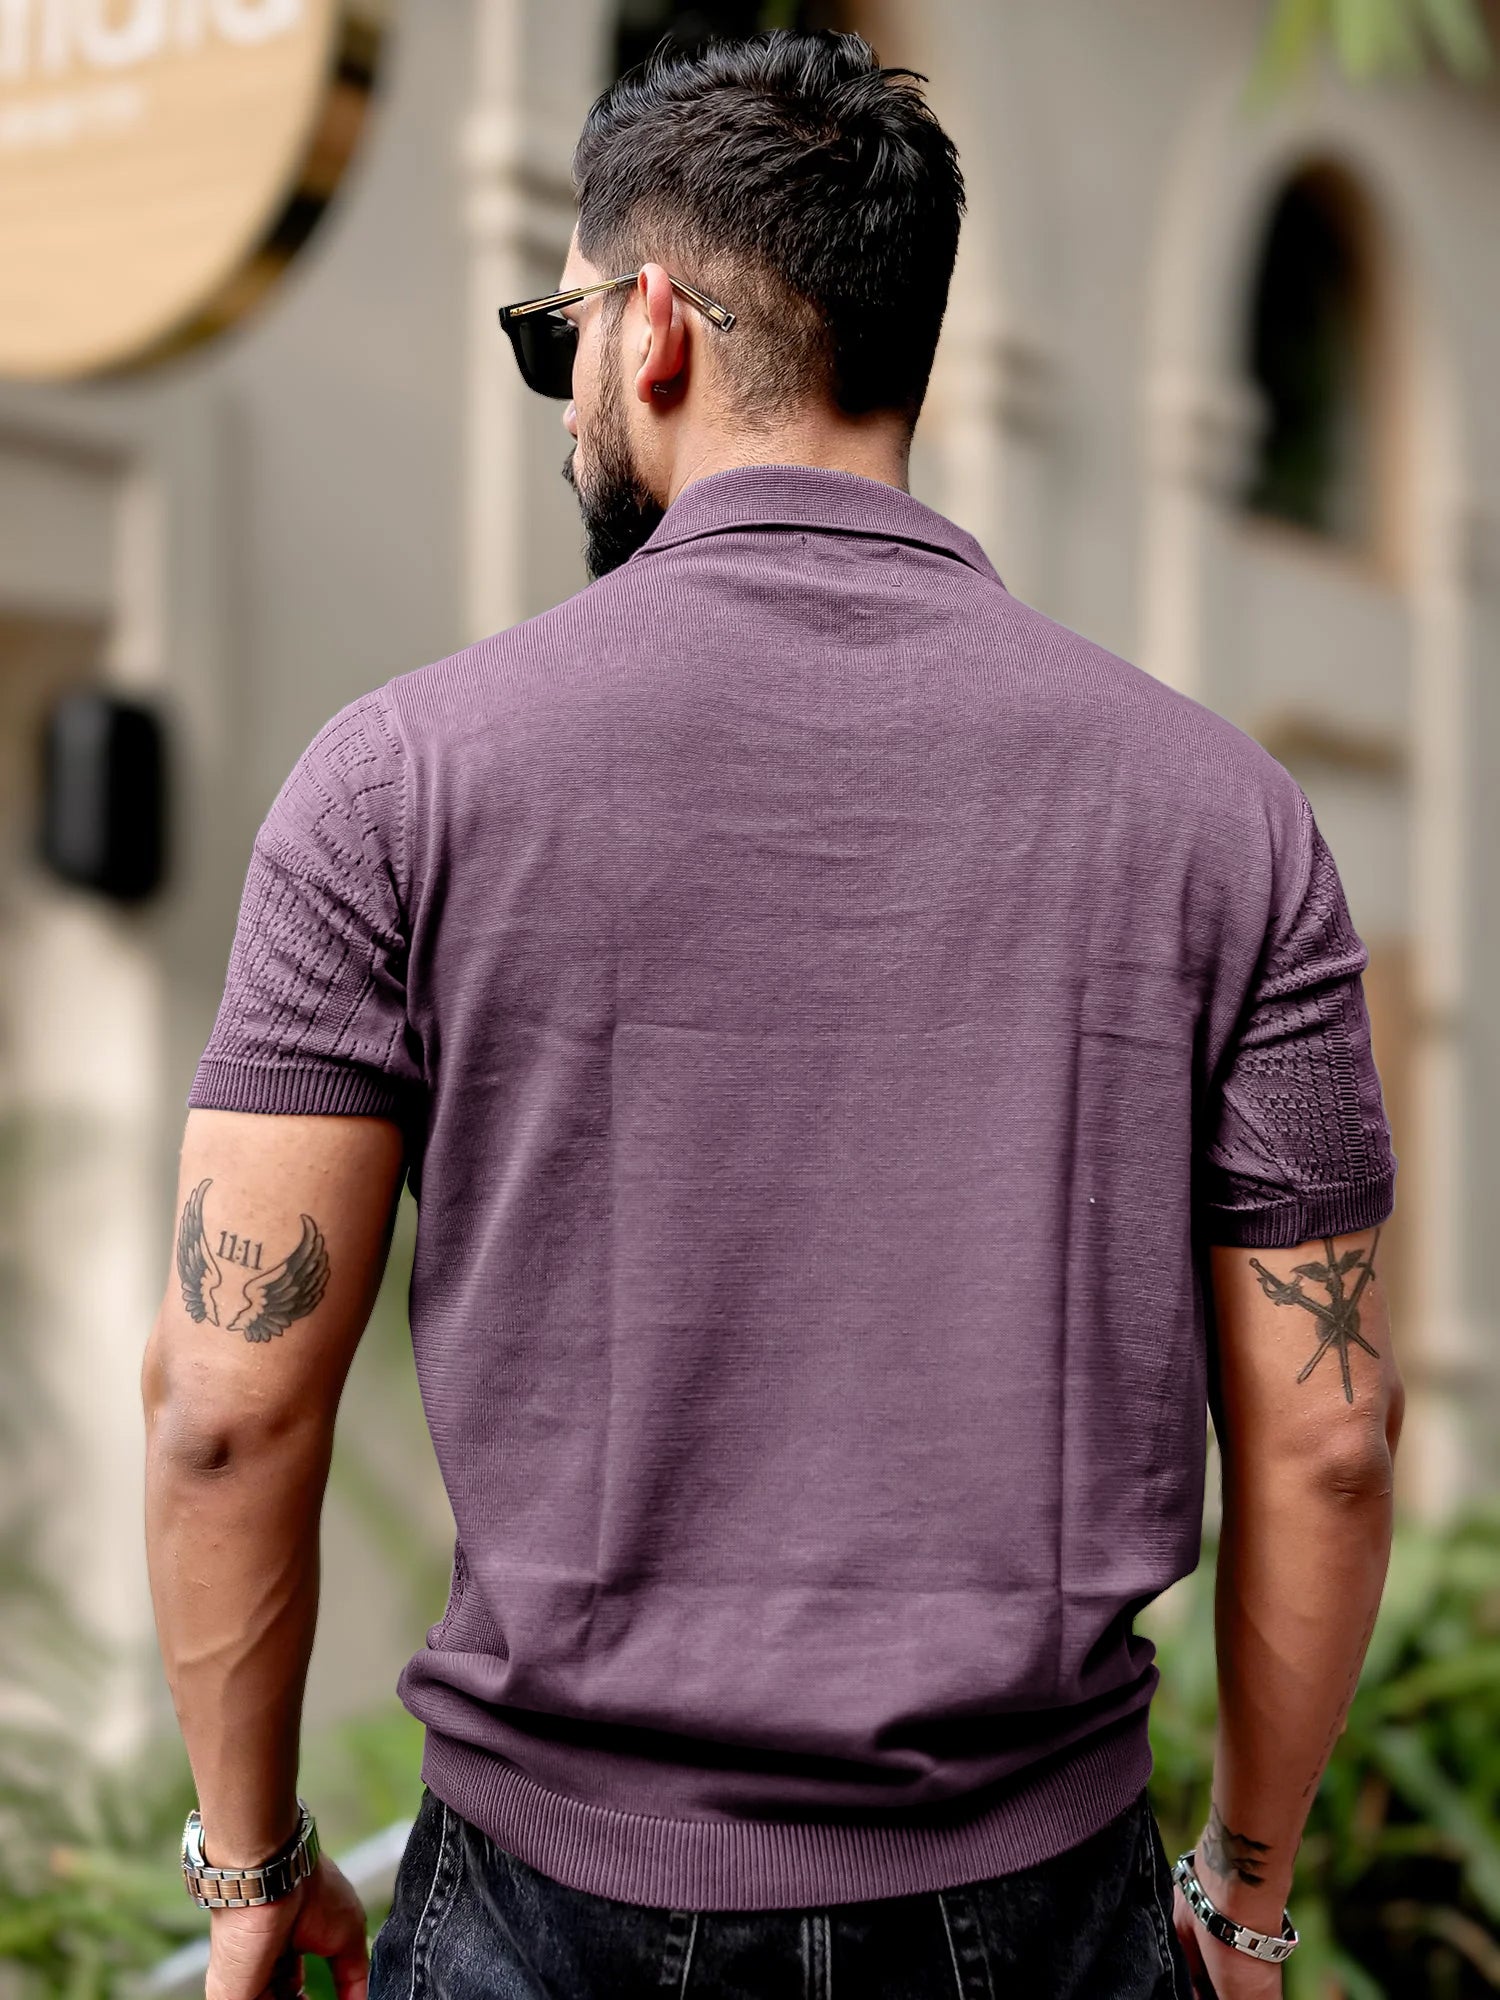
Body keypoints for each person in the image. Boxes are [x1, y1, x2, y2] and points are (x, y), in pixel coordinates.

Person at [141, 28, 1403, 2000]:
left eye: (556, 335)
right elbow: (1328, 1438)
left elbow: (224, 1406)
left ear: (649, 329)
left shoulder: (395, 783)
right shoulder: (1222, 815)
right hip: (1036, 1902)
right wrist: (1244, 1896)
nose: (564, 387)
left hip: (547, 1907)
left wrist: (249, 1871)